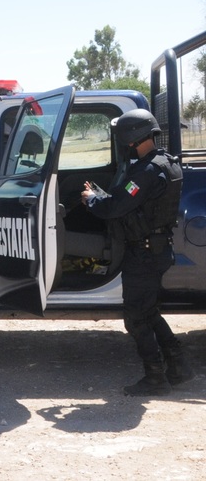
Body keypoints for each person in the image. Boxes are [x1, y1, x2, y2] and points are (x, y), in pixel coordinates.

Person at [81, 108, 193, 395]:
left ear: (131, 138)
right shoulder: (165, 163)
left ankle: (155, 378)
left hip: (143, 255)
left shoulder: (145, 172)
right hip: (156, 251)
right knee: (148, 311)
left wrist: (92, 200)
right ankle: (178, 366)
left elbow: (115, 208)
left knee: (136, 318)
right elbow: (132, 203)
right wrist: (103, 197)